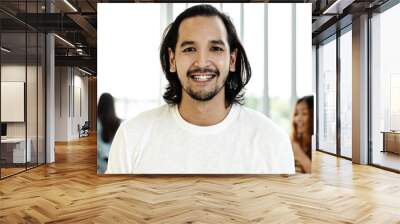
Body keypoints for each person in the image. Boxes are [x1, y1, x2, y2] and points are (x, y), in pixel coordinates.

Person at [106, 4, 294, 174]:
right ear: (172, 60)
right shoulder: (131, 136)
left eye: (216, 48)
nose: (202, 62)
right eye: (189, 49)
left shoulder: (272, 140)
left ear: (232, 60)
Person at [97, 93, 121, 174]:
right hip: (114, 164)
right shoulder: (119, 122)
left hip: (101, 164)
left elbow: (99, 145)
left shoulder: (96, 122)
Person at [291, 95, 313, 173]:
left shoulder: (319, 148)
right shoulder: (294, 141)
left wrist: (299, 154)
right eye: (296, 114)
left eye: (304, 113)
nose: (298, 119)